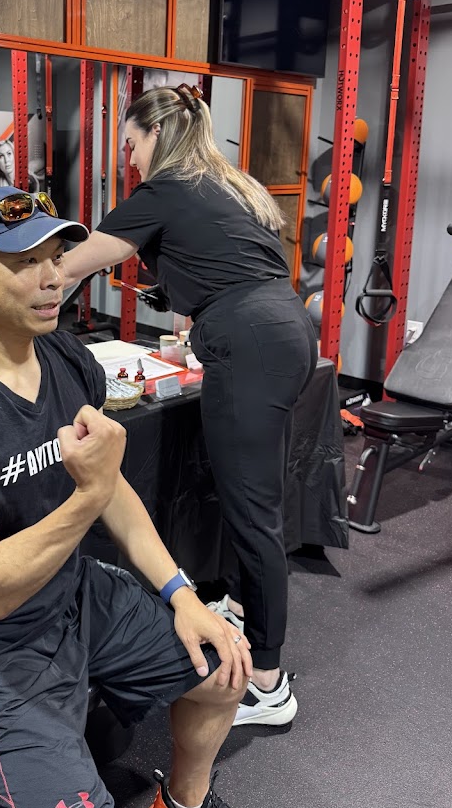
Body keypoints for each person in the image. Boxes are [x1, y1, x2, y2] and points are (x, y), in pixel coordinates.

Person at [0, 186, 254, 808]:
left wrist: (182, 594)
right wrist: (90, 493)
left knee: (225, 669)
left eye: (55, 258)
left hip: (71, 592)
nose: (53, 279)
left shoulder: (66, 356)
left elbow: (113, 490)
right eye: (25, 262)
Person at [62, 84, 318, 728]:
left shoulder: (166, 189)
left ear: (156, 134)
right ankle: (242, 609)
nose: (129, 160)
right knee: (248, 495)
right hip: (283, 330)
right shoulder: (228, 185)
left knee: (254, 512)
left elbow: (74, 265)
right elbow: (224, 266)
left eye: (131, 145)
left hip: (250, 343)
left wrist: (21, 277)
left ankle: (267, 683)